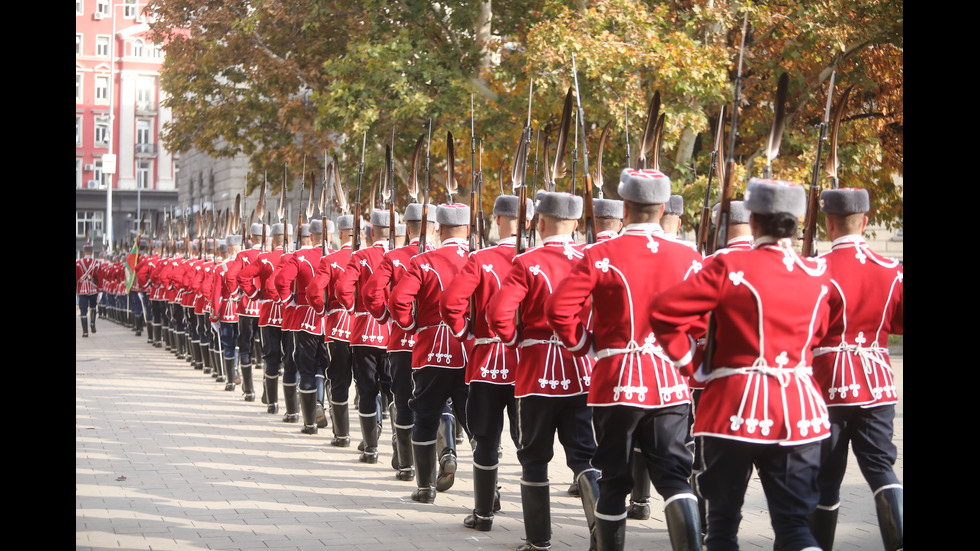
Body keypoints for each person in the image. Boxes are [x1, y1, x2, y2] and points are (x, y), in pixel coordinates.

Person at [648, 178, 836, 551]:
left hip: (733, 407)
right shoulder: (818, 273)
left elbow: (663, 311)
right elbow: (819, 333)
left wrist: (695, 366)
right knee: (795, 526)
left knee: (721, 529)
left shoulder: (728, 264)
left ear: (752, 220)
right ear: (797, 222)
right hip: (799, 411)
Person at [486, 191, 598, 551]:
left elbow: (498, 312)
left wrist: (516, 338)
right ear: (577, 224)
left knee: (534, 458)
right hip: (581, 369)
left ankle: (538, 541)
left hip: (535, 372)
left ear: (540, 222)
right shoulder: (592, 258)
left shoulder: (526, 261)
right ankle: (604, 528)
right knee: (584, 455)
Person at [809, 188, 903, 551]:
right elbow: (897, 323)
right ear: (864, 223)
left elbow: (808, 329)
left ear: (828, 225)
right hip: (876, 382)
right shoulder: (891, 269)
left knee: (825, 476)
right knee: (881, 468)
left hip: (827, 383)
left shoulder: (817, 269)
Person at [440, 194, 531, 531]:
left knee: (486, 438)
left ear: (496, 220)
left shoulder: (481, 258)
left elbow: (451, 302)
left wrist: (467, 333)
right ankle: (538, 525)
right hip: (528, 362)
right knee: (529, 445)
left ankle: (483, 515)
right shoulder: (535, 258)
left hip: (487, 361)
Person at [389, 203, 472, 504]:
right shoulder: (477, 260)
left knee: (425, 415)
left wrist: (411, 325)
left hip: (430, 350)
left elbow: (399, 300)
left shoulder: (424, 261)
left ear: (439, 227)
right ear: (467, 228)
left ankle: (425, 488)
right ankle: (491, 493)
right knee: (475, 421)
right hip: (468, 349)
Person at [362, 203, 436, 480]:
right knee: (439, 404)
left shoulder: (393, 256)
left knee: (403, 402)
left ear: (406, 227)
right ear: (435, 228)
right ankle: (446, 453)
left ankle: (406, 466)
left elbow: (372, 292)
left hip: (402, 339)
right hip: (438, 343)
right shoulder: (444, 255)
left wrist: (387, 317)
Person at [337, 210, 394, 460]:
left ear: (371, 234)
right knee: (394, 391)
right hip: (394, 331)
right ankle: (401, 449)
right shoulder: (400, 256)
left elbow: (342, 287)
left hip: (364, 331)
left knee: (367, 389)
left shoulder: (361, 256)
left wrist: (352, 308)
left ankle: (371, 448)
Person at [308, 215, 355, 446]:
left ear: (340, 234)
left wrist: (323, 310)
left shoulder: (330, 260)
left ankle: (342, 435)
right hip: (371, 327)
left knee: (338, 380)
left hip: (339, 325)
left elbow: (315, 291)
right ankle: (372, 436)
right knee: (370, 384)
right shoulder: (373, 257)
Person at [77, 244, 101, 337]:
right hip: (93, 288)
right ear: (91, 252)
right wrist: (100, 289)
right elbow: (99, 277)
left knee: (83, 310)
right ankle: (92, 323)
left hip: (82, 289)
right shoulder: (96, 263)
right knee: (93, 307)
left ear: (83, 252)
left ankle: (85, 332)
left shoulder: (78, 263)